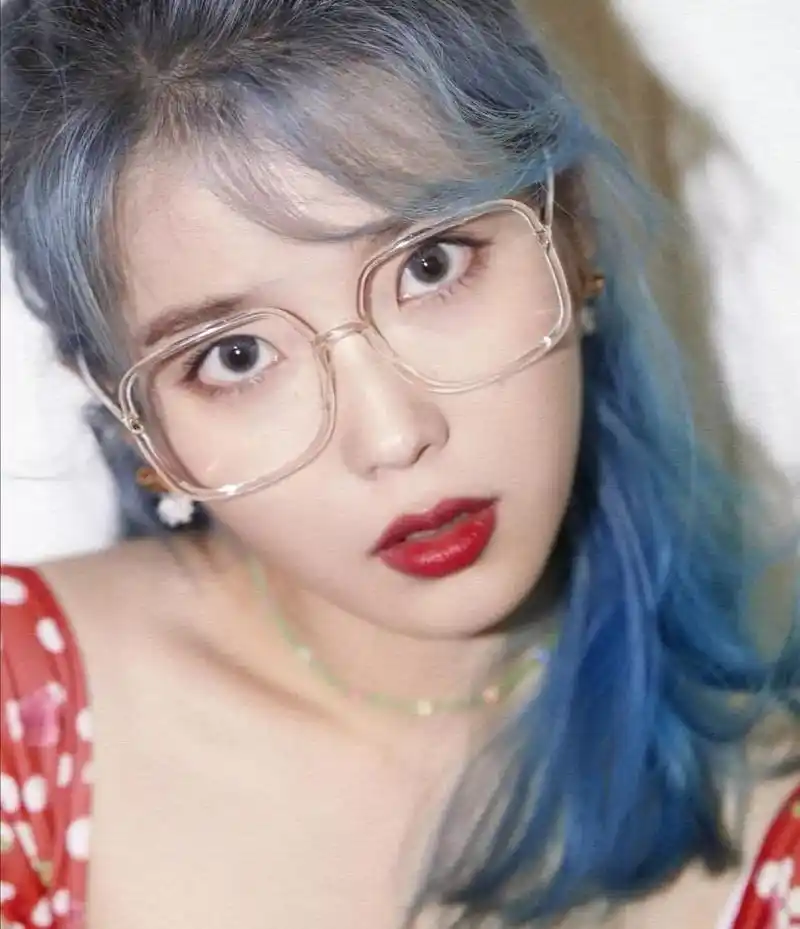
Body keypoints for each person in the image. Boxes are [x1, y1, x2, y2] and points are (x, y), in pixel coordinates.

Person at [0, 1, 797, 927]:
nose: (392, 435)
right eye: (236, 355)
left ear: (570, 227)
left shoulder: (768, 847)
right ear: (139, 426)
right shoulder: (21, 723)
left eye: (430, 264)